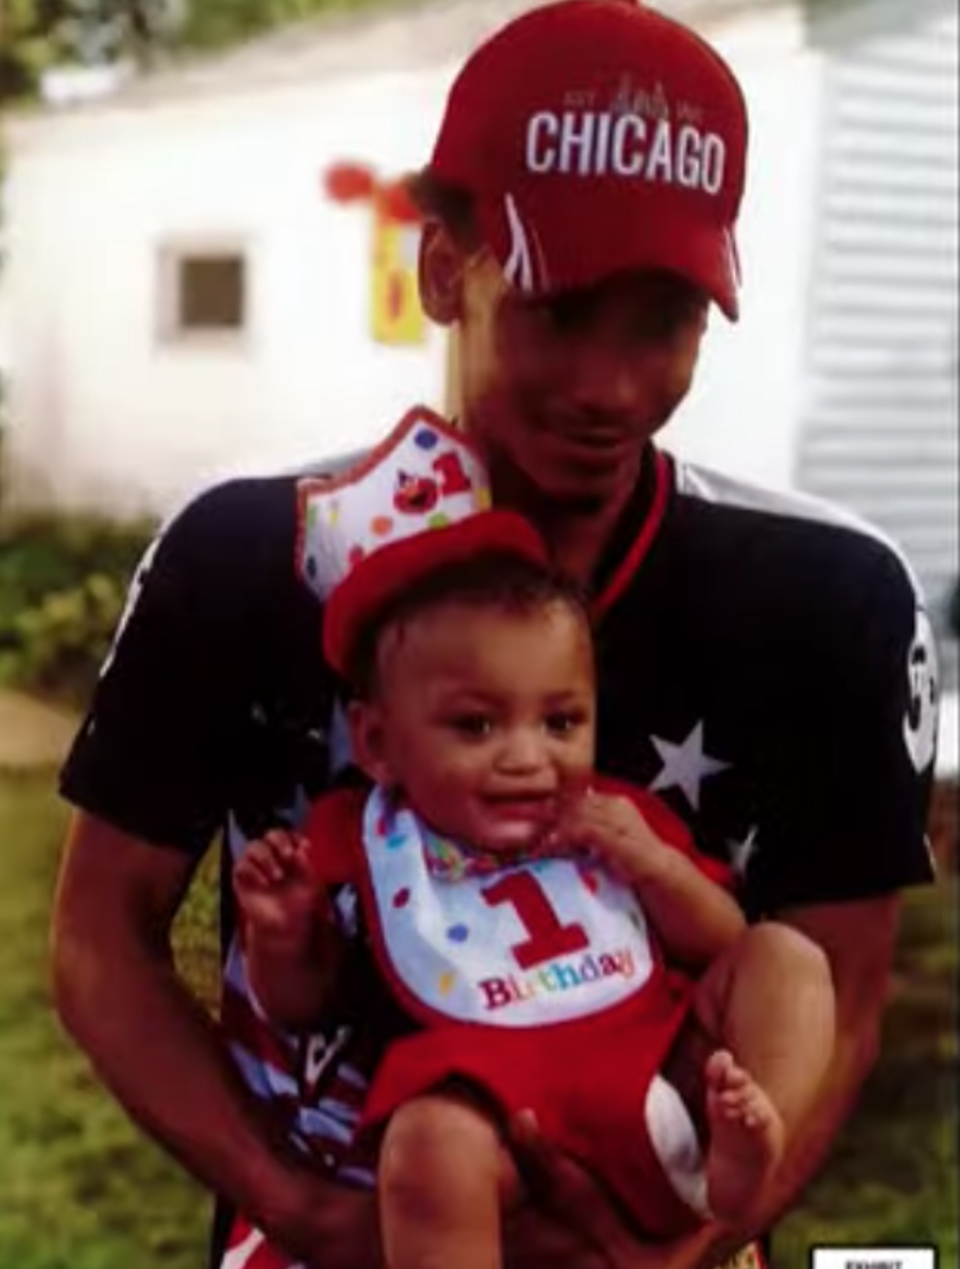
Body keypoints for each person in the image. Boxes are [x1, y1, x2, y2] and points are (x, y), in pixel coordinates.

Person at [50, 2, 939, 1267]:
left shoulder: (829, 600)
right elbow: (98, 939)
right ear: (441, 266)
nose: (611, 389)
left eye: (666, 321)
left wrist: (667, 1259)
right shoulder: (249, 559)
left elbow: (836, 994)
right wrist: (306, 1211)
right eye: (561, 312)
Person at [231, 451, 836, 1269]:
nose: (529, 757)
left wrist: (653, 864)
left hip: (664, 1074)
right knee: (428, 1143)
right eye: (477, 726)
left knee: (786, 959)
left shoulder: (616, 817)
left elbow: (721, 941)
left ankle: (746, 1146)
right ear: (376, 741)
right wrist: (281, 933)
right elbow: (304, 1006)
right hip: (494, 1107)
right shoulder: (362, 839)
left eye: (560, 722)